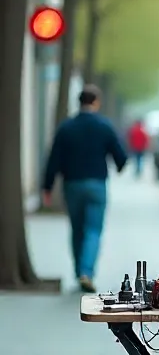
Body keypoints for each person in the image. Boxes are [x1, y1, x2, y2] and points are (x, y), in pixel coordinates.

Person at [42, 85, 128, 292]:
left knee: (77, 229)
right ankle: (86, 272)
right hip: (97, 184)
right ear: (96, 102)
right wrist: (117, 167)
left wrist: (47, 186)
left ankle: (78, 270)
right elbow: (121, 157)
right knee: (93, 230)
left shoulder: (66, 127)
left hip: (72, 184)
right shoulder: (104, 126)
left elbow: (54, 159)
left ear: (79, 102)